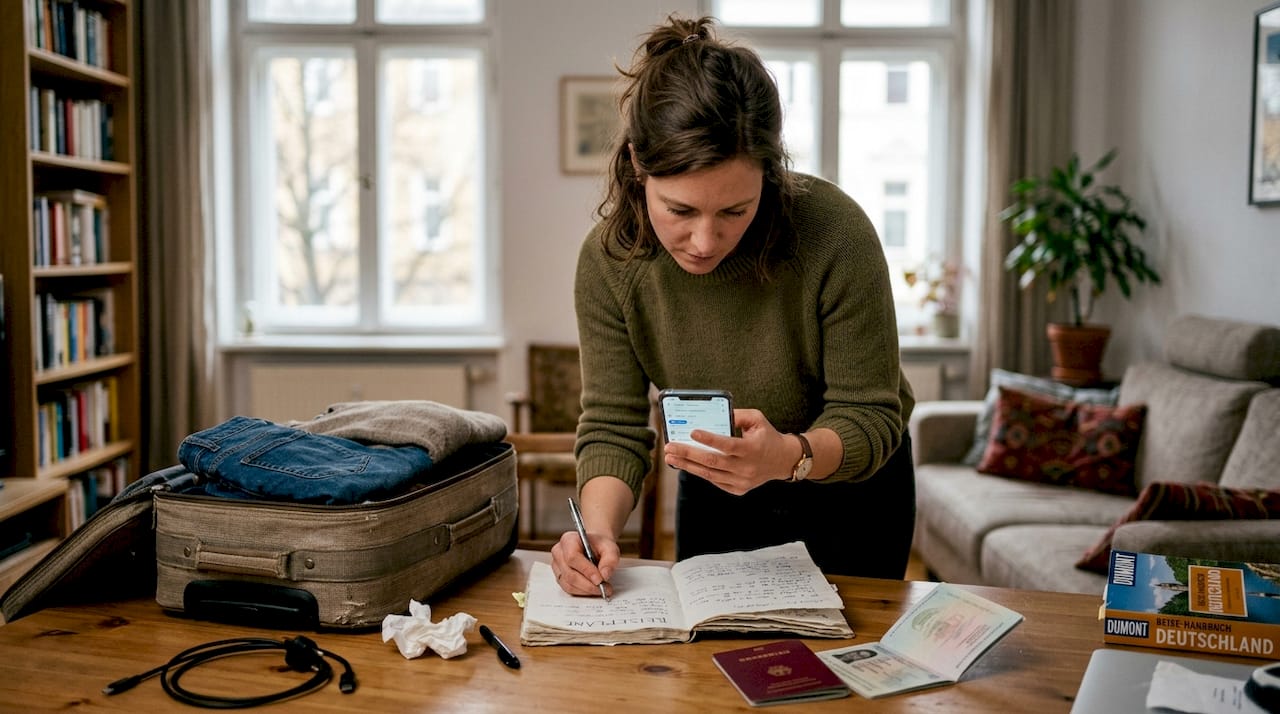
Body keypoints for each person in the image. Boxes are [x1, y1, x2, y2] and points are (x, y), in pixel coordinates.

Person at [550, 14, 916, 598]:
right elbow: (614, 427)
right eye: (680, 210)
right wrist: (596, 533)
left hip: (850, 486)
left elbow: (872, 415)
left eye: (734, 212)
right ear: (639, 168)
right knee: (713, 675)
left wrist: (788, 458)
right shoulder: (610, 263)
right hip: (715, 486)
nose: (703, 241)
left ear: (768, 178)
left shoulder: (836, 233)